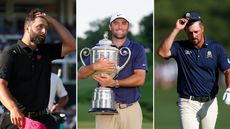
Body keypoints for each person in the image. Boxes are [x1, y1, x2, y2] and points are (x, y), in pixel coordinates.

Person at [0, 8, 76, 129]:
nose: (44, 31)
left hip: (44, 120)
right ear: (27, 28)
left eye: (46, 28)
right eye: (39, 27)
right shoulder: (10, 53)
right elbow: (1, 85)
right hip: (16, 120)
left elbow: (72, 45)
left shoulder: (45, 51)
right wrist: (13, 108)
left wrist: (52, 21)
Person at [157, 11, 230, 129]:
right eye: (190, 33)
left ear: (202, 29)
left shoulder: (216, 48)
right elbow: (162, 52)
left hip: (210, 103)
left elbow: (227, 70)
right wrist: (176, 29)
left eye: (196, 32)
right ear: (185, 31)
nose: (193, 35)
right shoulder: (180, 47)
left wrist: (229, 88)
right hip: (187, 103)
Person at [78, 13, 147, 129]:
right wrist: (94, 67)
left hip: (130, 108)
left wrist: (114, 83)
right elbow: (80, 74)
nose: (120, 26)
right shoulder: (100, 48)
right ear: (110, 27)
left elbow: (140, 78)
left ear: (128, 27)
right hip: (104, 108)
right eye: (116, 23)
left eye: (124, 23)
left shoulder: (137, 49)